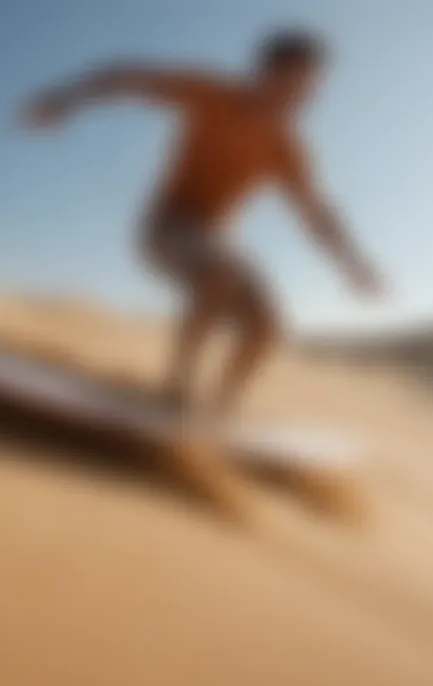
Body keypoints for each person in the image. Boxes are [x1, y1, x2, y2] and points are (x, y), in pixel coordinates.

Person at [19, 29, 385, 419]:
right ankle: (175, 393)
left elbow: (315, 211)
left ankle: (222, 409)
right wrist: (64, 99)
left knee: (268, 326)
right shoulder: (210, 93)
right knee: (220, 273)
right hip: (165, 228)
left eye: (310, 88)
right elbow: (128, 76)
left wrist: (352, 263)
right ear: (265, 72)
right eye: (293, 84)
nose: (301, 97)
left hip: (216, 240)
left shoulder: (286, 145)